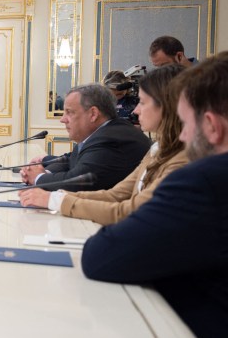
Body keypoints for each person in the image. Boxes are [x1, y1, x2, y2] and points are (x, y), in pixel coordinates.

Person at [81, 50, 228, 338]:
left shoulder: (211, 180)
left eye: (184, 123)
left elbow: (103, 256)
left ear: (212, 126)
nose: (182, 136)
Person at [19, 65, 188, 223]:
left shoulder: (183, 161)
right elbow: (114, 195)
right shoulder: (156, 150)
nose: (135, 110)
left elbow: (130, 211)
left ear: (168, 106)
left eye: (142, 102)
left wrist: (54, 200)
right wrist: (53, 197)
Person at [20, 83, 150, 191]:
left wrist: (38, 178)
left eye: (69, 112)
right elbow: (72, 159)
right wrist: (43, 171)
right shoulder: (104, 132)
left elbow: (76, 181)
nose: (63, 120)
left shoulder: (112, 138)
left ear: (93, 114)